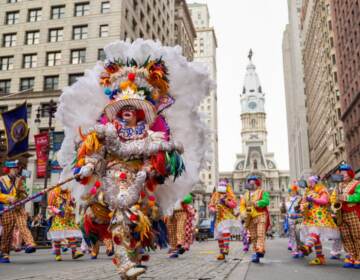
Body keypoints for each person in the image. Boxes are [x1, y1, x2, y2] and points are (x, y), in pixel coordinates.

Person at [56, 40, 209, 279]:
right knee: (121, 215)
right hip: (113, 180)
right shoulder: (106, 130)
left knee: (138, 224)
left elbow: (161, 156)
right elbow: (95, 153)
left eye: (131, 108)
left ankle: (131, 265)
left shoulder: (151, 133)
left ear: (139, 112)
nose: (126, 110)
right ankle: (124, 263)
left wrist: (153, 167)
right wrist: (86, 167)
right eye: (122, 107)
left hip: (140, 181)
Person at [0, 160, 36, 263]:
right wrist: (9, 198)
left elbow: (24, 194)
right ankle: (4, 253)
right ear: (8, 169)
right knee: (7, 232)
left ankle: (30, 243)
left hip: (19, 208)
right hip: (7, 208)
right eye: (14, 169)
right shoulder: (1, 180)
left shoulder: (20, 180)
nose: (16, 170)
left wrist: (22, 196)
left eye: (17, 168)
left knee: (23, 225)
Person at [299, 175, 339, 265]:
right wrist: (302, 206)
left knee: (315, 232)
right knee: (316, 237)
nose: (310, 183)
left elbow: (324, 201)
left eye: (311, 182)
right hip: (309, 216)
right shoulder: (308, 191)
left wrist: (313, 199)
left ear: (316, 182)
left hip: (319, 216)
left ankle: (308, 246)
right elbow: (302, 202)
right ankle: (320, 257)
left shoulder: (322, 189)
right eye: (309, 182)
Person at [330, 164, 360, 268]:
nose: (343, 175)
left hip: (354, 214)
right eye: (341, 173)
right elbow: (333, 198)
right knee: (346, 237)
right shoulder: (338, 186)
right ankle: (351, 256)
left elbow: (358, 196)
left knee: (357, 236)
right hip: (341, 214)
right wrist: (334, 206)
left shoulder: (357, 183)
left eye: (345, 173)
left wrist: (346, 197)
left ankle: (359, 258)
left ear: (350, 173)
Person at [47, 186, 84, 261]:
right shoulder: (54, 193)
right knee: (57, 236)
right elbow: (50, 206)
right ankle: (58, 254)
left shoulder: (69, 193)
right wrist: (58, 211)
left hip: (68, 218)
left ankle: (74, 252)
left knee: (71, 235)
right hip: (59, 218)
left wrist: (73, 204)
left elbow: (73, 204)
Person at [239, 175, 270, 263]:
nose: (251, 185)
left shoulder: (262, 192)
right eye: (250, 183)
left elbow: (266, 201)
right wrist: (243, 213)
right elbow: (242, 206)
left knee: (260, 234)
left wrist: (256, 203)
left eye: (253, 183)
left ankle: (260, 249)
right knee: (253, 237)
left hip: (260, 215)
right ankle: (256, 253)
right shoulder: (245, 195)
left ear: (257, 184)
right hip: (249, 218)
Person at [209, 180, 242, 261]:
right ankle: (221, 253)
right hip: (218, 218)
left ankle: (226, 248)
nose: (221, 187)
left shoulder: (229, 195)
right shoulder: (215, 195)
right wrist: (213, 209)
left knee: (225, 231)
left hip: (226, 216)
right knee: (219, 235)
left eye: (223, 185)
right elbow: (210, 205)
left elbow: (234, 205)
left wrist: (226, 201)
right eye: (220, 185)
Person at [285, 184, 303, 258]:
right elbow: (285, 210)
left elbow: (302, 208)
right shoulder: (287, 199)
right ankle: (295, 251)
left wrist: (300, 211)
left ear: (296, 191)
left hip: (299, 218)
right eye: (291, 191)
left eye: (294, 191)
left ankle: (301, 250)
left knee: (299, 234)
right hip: (290, 218)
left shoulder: (300, 199)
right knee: (292, 235)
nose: (293, 192)